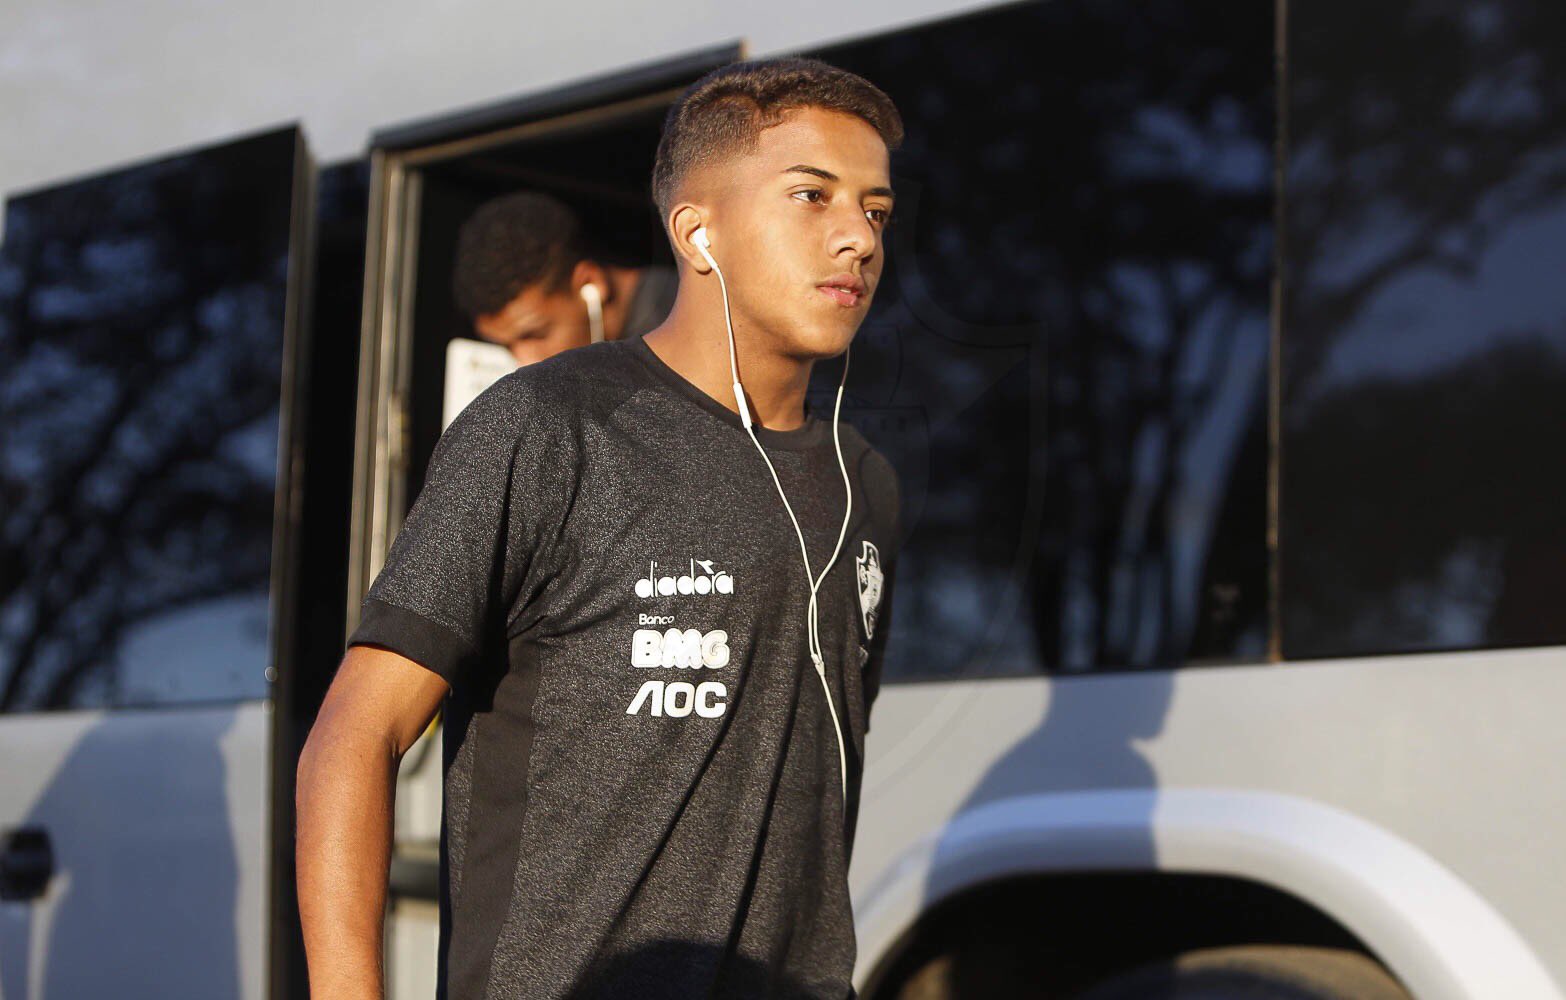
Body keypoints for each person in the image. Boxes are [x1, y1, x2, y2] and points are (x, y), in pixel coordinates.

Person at [296, 55, 905, 1000]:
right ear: (697, 232)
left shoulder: (867, 484)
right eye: (811, 196)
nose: (857, 237)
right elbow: (353, 738)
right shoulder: (545, 426)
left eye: (876, 209)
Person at [451, 189, 677, 366]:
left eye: (535, 335)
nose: (524, 362)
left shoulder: (680, 327)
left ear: (590, 283)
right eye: (506, 346)